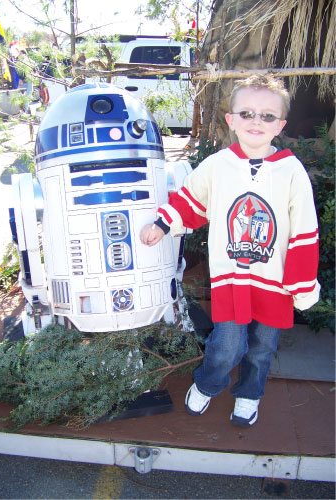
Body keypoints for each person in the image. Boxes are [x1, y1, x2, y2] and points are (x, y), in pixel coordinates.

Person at [140, 74, 320, 427]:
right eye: (248, 113)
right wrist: (162, 225)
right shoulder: (217, 165)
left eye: (268, 116)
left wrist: (300, 283)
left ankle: (249, 394)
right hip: (232, 276)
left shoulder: (291, 172)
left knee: (262, 348)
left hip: (275, 280)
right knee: (227, 345)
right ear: (231, 119)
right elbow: (191, 199)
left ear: (280, 124)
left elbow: (304, 230)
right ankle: (209, 384)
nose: (257, 121)